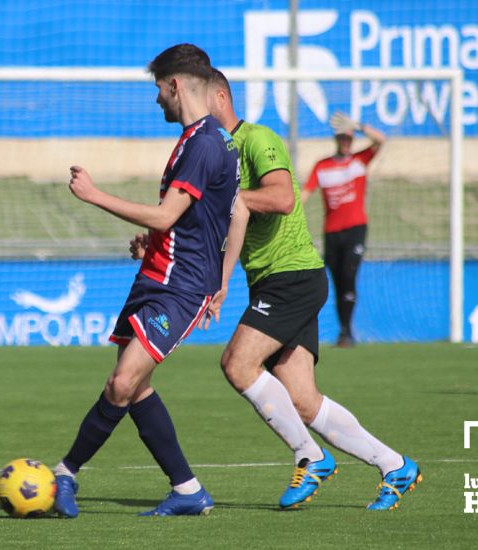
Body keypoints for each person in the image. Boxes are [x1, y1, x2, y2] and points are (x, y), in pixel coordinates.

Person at [203, 69, 420, 511]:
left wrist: (238, 201)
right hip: (280, 279)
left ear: (220, 97)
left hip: (291, 277)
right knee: (302, 400)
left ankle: (310, 456)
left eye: (189, 97)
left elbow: (283, 198)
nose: (183, 110)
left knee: (238, 363)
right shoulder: (217, 155)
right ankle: (395, 465)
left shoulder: (256, 140)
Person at [51, 44, 240, 518]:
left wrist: (94, 196)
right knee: (135, 389)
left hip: (180, 289)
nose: (157, 99)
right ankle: (187, 490)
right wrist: (155, 243)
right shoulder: (200, 138)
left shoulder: (203, 143)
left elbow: (168, 213)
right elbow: (201, 219)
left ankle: (65, 474)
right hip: (158, 276)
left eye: (159, 89)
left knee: (122, 383)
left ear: (176, 85)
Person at [300, 112, 386, 347]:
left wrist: (358, 125)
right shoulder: (322, 165)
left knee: (349, 275)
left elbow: (381, 140)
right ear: (337, 140)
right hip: (331, 231)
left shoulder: (360, 160)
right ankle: (344, 331)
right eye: (343, 139)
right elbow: (306, 193)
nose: (346, 143)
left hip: (356, 227)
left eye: (349, 139)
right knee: (337, 281)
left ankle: (347, 331)